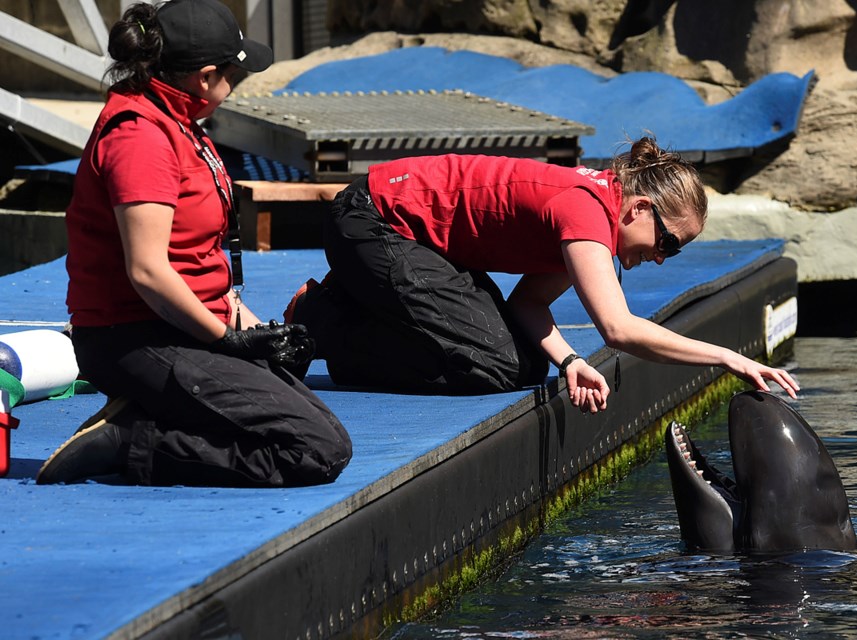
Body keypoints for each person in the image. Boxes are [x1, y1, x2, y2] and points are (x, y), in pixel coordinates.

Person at [37, 0, 352, 487]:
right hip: (135, 336)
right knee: (316, 450)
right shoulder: (140, 139)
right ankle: (130, 442)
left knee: (327, 428)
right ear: (205, 79)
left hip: (183, 327)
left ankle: (156, 411)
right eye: (233, 74)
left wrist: (260, 333)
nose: (234, 86)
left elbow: (196, 254)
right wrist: (227, 341)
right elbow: (147, 270)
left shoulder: (176, 119)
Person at [285, 139, 800, 412]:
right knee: (491, 362)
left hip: (415, 243)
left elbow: (527, 306)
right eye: (667, 243)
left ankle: (355, 311)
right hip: (371, 222)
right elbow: (618, 329)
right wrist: (726, 357)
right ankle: (322, 320)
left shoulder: (594, 215)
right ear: (639, 208)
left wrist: (570, 360)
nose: (662, 258)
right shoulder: (586, 213)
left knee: (522, 364)